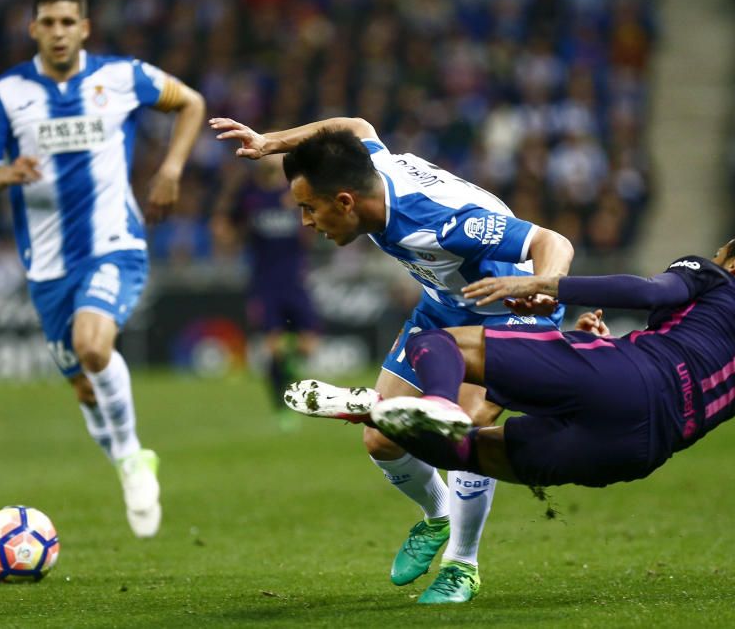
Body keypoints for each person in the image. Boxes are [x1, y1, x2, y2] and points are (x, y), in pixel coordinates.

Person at [210, 115, 574, 603]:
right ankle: (438, 517)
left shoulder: (441, 222)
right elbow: (356, 125)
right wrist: (271, 142)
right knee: (380, 439)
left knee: (464, 428)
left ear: (345, 201)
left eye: (308, 208)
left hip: (507, 310)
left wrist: (542, 288)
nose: (305, 222)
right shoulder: (369, 171)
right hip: (443, 305)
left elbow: (552, 242)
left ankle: (462, 566)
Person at [0, 0, 205, 538]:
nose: (57, 32)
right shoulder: (6, 94)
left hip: (114, 244)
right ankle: (129, 457)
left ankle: (130, 459)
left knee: (93, 346)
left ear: (85, 28)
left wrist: (170, 169)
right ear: (33, 29)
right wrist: (9, 173)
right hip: (47, 266)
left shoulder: (120, 77)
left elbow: (191, 102)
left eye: (67, 22)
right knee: (82, 384)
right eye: (47, 22)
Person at [366, 219, 735, 499]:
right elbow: (671, 390)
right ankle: (374, 414)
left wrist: (549, 284)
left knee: (437, 342)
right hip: (633, 453)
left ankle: (429, 405)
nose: (714, 258)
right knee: (468, 453)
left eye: (722, 251)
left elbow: (653, 293)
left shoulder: (715, 279)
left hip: (624, 378)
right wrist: (615, 347)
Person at [211, 158, 321, 430]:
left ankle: (291, 364)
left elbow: (318, 224)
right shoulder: (249, 195)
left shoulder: (297, 191)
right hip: (264, 283)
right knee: (273, 345)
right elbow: (225, 228)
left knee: (309, 344)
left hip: (296, 280)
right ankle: (282, 407)